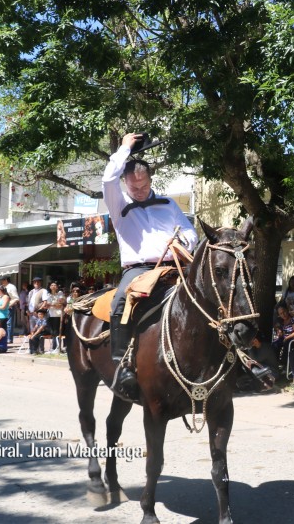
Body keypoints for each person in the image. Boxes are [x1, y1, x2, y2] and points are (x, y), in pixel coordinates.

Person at [102, 131, 199, 401]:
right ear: (125, 185)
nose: (140, 191)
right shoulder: (118, 204)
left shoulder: (168, 203)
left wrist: (184, 241)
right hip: (140, 270)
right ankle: (122, 365)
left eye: (144, 186)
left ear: (150, 180)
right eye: (134, 187)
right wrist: (124, 148)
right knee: (121, 301)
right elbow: (108, 178)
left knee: (210, 294)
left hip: (177, 265)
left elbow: (191, 234)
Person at [45, 281, 65, 353]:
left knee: (57, 332)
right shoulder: (48, 294)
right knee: (52, 332)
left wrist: (51, 305)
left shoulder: (60, 293)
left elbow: (60, 305)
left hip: (58, 315)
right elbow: (46, 305)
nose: (53, 286)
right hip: (51, 314)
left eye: (54, 285)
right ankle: (53, 347)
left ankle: (57, 347)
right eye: (52, 285)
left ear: (57, 287)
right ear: (50, 287)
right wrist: (53, 305)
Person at [0, 276, 20, 342]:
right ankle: (4, 337)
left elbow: (16, 298)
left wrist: (9, 305)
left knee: (9, 323)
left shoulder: (11, 287)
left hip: (9, 307)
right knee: (3, 323)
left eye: (2, 280)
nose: (1, 281)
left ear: (6, 280)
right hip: (2, 307)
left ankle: (9, 338)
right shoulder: (3, 287)